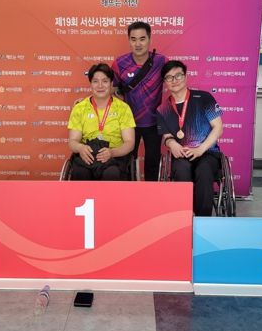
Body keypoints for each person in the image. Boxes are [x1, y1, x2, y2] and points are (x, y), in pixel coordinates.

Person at [156, 60, 223, 216]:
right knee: (181, 170)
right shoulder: (162, 109)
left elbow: (218, 127)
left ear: (186, 77)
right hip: (181, 154)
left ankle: (203, 219)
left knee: (204, 170)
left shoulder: (204, 98)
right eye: (169, 77)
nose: (174, 80)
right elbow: (167, 135)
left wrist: (200, 149)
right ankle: (184, 217)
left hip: (207, 152)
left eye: (178, 75)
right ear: (165, 82)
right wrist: (172, 144)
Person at [112, 21, 167, 181]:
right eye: (133, 39)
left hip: (154, 122)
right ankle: (128, 194)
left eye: (142, 39)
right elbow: (110, 89)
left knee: (152, 164)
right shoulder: (119, 63)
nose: (138, 44)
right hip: (128, 123)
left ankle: (151, 194)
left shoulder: (161, 62)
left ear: (150, 39)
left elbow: (176, 82)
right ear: (129, 40)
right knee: (126, 163)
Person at [68, 63, 135, 180]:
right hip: (88, 155)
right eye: (95, 81)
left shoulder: (123, 108)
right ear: (90, 84)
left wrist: (112, 153)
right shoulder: (79, 108)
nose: (100, 86)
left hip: (114, 157)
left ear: (111, 84)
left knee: (111, 174)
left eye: (105, 81)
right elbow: (73, 141)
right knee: (80, 173)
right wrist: (80, 148)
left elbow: (129, 143)